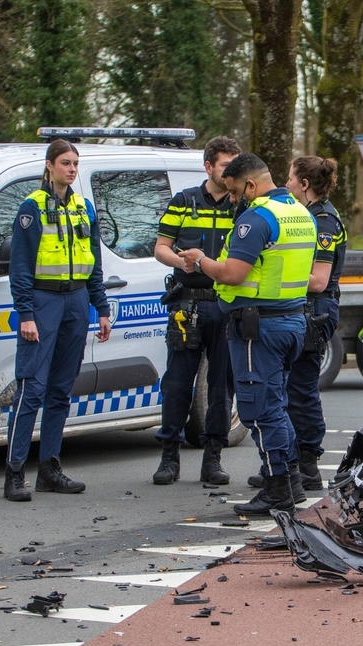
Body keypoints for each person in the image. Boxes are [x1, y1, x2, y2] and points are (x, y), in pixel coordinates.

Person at [180, 153, 316, 515]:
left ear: (251, 184)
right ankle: (293, 483)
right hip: (291, 321)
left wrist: (200, 259)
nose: (235, 197)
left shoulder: (257, 218)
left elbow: (232, 274)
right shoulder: (302, 214)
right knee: (278, 405)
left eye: (236, 190)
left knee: (259, 411)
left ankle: (276, 490)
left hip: (259, 327)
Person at [3, 139, 112, 502]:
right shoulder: (31, 208)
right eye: (65, 162)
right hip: (44, 300)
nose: (72, 169)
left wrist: (102, 308)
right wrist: (26, 314)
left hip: (76, 300)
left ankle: (49, 468)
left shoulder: (85, 208)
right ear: (49, 166)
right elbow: (19, 267)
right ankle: (15, 472)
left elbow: (94, 263)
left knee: (61, 390)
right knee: (31, 388)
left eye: (75, 163)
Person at [247, 156, 347, 492]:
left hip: (314, 311)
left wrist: (268, 277)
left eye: (290, 178)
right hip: (300, 311)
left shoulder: (324, 222)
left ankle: (307, 466)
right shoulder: (306, 216)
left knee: (302, 390)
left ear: (304, 184)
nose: (286, 184)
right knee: (286, 389)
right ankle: (286, 463)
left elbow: (318, 280)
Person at [151, 136, 242, 486]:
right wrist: (180, 262)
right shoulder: (184, 201)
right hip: (187, 304)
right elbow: (161, 247)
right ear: (208, 167)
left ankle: (213, 458)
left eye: (236, 165)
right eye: (225, 165)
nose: (231, 172)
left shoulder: (243, 207)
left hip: (225, 305)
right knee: (177, 384)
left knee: (221, 387)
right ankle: (169, 457)